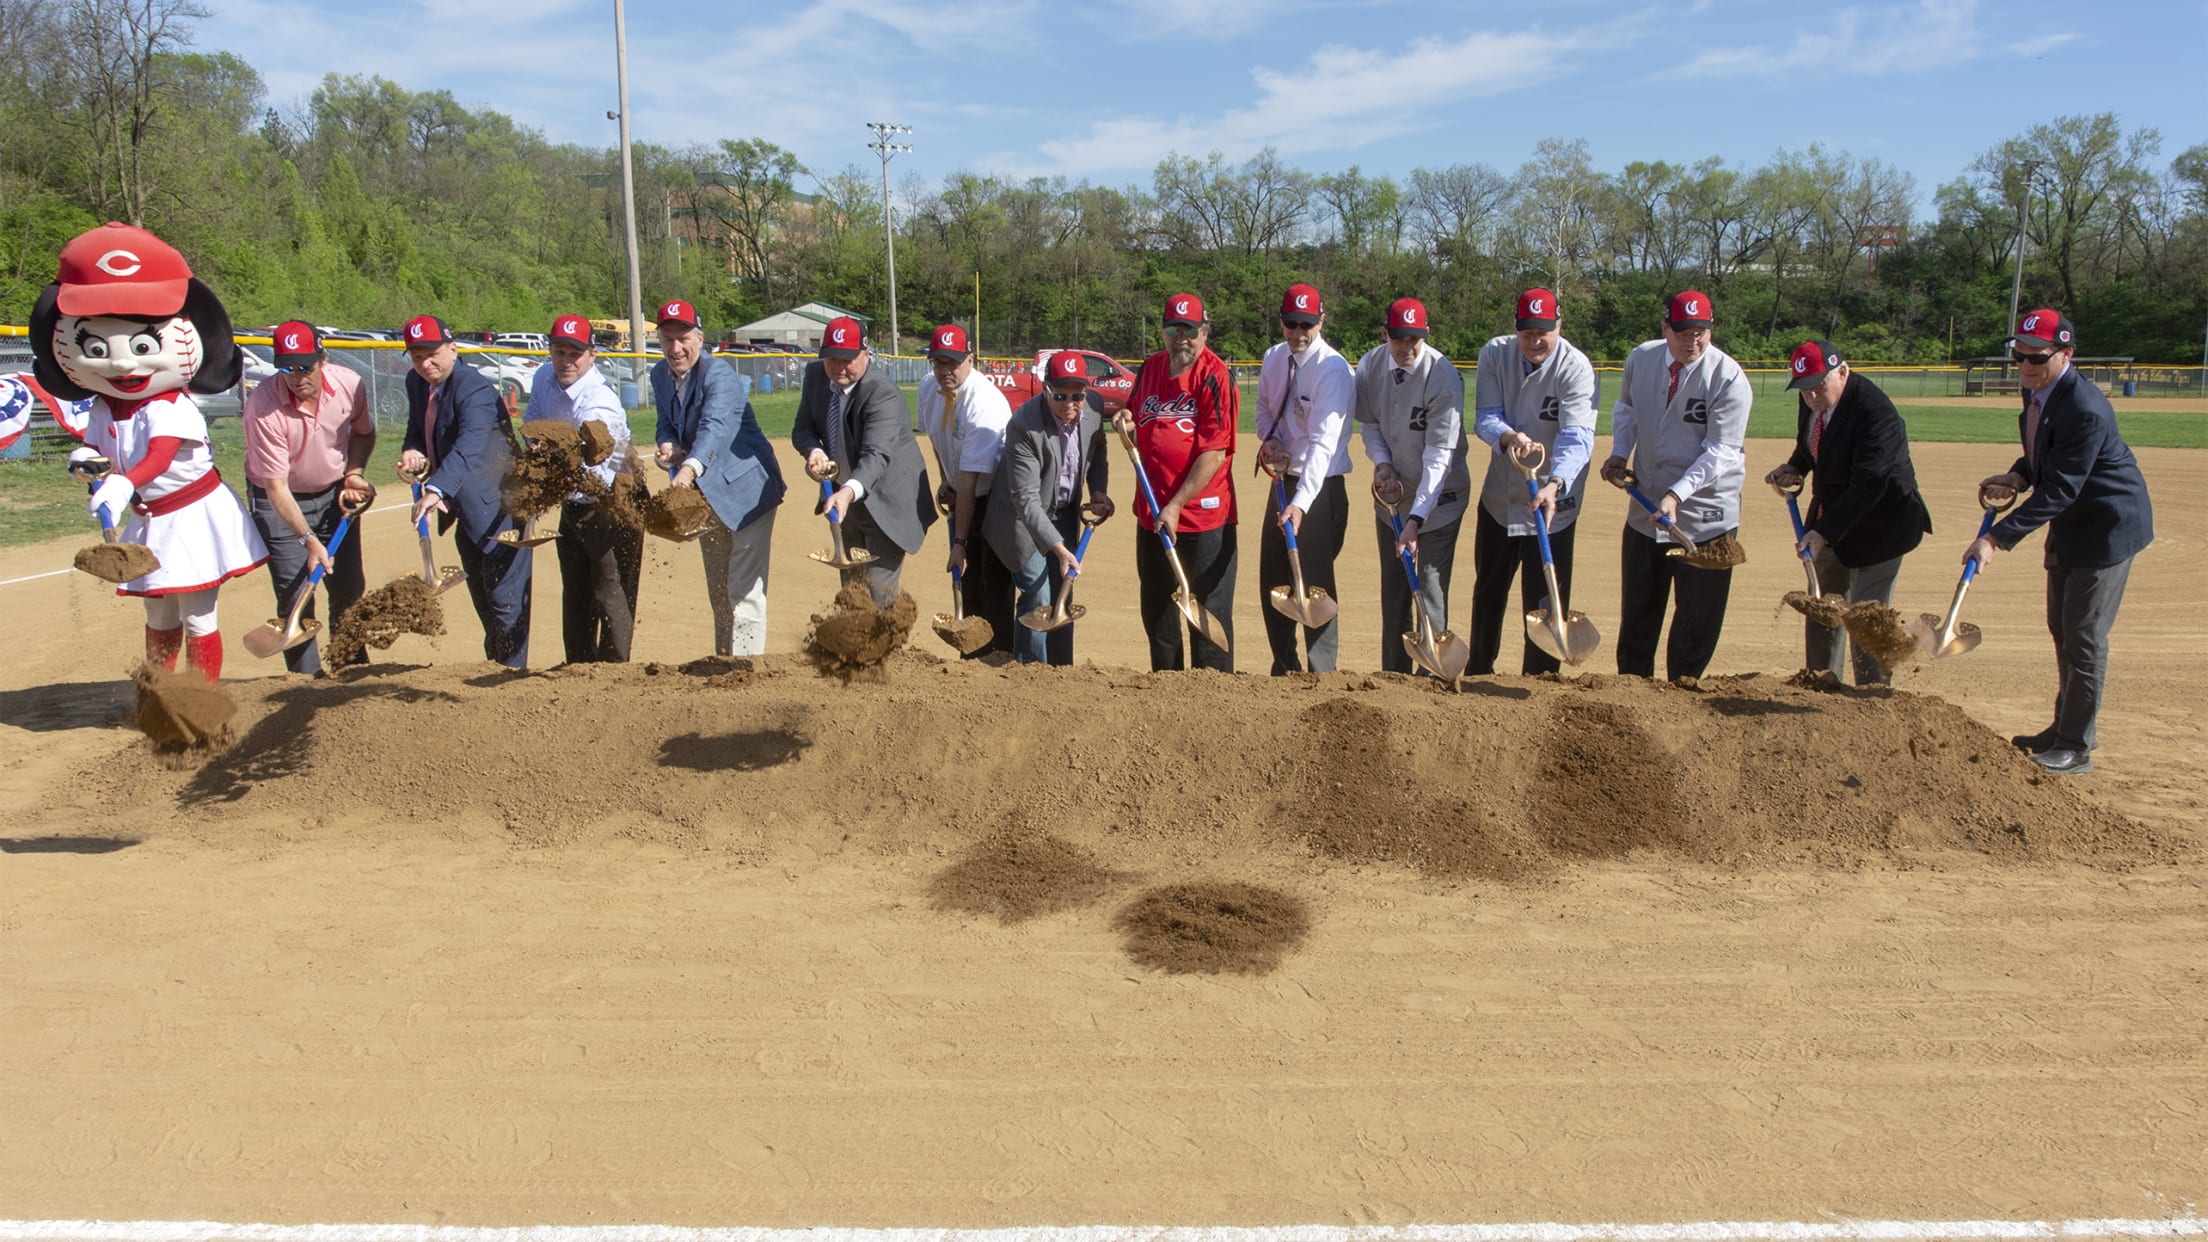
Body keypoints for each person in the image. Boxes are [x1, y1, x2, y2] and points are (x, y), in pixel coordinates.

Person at [31, 222, 266, 682]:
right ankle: (158, 693)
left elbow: (159, 456)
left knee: (198, 612)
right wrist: (86, 462)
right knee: (159, 614)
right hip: (150, 517)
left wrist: (121, 483)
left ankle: (201, 698)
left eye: (141, 346)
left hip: (192, 514)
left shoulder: (170, 405)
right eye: (97, 347)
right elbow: (98, 448)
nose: (121, 363)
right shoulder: (103, 406)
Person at [1966, 310, 2155, 775]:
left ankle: (2076, 745)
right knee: (2062, 630)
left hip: (2106, 528)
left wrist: (1995, 538)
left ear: (2066, 354)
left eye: (2037, 357)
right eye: (2018, 356)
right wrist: (2019, 473)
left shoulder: (2086, 407)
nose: (2026, 366)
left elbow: (2064, 487)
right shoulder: (2038, 390)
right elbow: (2045, 452)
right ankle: (2061, 728)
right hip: (2072, 525)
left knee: (2085, 637)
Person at [1600, 289, 1751, 681]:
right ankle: (1632, 700)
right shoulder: (1642, 359)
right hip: (1646, 509)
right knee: (1637, 619)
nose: (1693, 341)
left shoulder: (1728, 377)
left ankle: (1682, 704)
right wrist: (1620, 452)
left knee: (1694, 629)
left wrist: (1676, 494)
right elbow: (1627, 409)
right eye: (1684, 332)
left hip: (1705, 520)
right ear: (1665, 327)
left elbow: (1721, 451)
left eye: (1702, 331)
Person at [1763, 340, 1932, 686]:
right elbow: (1812, 443)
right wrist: (1796, 466)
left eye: (1817, 387)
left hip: (1881, 527)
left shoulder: (1876, 413)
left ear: (1842, 371)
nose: (1810, 397)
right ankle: (1822, 684)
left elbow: (1869, 483)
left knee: (1866, 617)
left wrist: (1823, 532)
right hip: (1833, 517)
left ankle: (1870, 699)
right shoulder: (1812, 396)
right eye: (1803, 389)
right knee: (1823, 604)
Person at [1468, 288, 1598, 676]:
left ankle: (1540, 679)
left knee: (1544, 600)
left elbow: (1577, 437)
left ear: (1559, 325)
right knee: (1489, 589)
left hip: (1553, 501)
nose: (1535, 341)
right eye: (1527, 333)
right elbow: (1486, 416)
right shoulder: (1495, 353)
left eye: (1544, 331)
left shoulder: (1575, 367)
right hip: (1501, 495)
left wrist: (1554, 483)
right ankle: (1478, 672)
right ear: (1516, 329)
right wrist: (1509, 438)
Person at [240, 320, 378, 675]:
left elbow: (364, 432)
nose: (297, 376)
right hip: (279, 505)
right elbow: (276, 488)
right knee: (296, 595)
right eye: (287, 368)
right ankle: (307, 687)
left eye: (305, 367)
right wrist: (309, 540)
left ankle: (352, 675)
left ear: (323, 358)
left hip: (334, 495)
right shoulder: (262, 405)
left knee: (348, 587)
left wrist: (354, 474)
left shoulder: (350, 385)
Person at [650, 299, 786, 657]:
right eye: (667, 339)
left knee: (743, 589)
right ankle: (726, 659)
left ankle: (745, 669)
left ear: (700, 337)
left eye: (683, 338)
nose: (675, 348)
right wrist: (668, 445)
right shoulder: (659, 376)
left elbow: (715, 427)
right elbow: (667, 420)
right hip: (707, 496)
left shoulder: (718, 374)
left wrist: (687, 469)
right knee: (719, 589)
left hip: (747, 493)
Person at [398, 313, 531, 668]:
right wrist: (412, 451)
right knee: (485, 602)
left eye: (432, 353)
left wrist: (436, 489)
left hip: (501, 506)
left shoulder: (472, 386)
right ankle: (495, 671)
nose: (425, 364)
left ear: (452, 348)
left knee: (506, 602)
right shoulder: (416, 382)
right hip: (464, 508)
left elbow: (469, 444)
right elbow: (417, 428)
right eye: (415, 356)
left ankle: (511, 680)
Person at [1116, 292, 1238, 672]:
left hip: (1202, 517)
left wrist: (1177, 504)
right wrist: (1124, 419)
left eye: (1190, 329)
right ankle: (1166, 695)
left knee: (1206, 614)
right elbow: (1133, 415)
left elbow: (1214, 452)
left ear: (1205, 330)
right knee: (1158, 614)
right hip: (1153, 512)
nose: (1181, 337)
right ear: (1164, 332)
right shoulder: (1151, 368)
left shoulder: (1214, 374)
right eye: (1174, 329)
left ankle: (1213, 702)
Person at [1354, 296, 1470, 674]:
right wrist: (1382, 463)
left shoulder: (1443, 376)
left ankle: (1435, 677)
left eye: (1414, 340)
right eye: (1399, 339)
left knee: (1430, 588)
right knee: (1396, 590)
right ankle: (1394, 677)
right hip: (1392, 498)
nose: (1406, 348)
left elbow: (1439, 458)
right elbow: (1370, 425)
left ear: (1426, 334)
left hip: (1440, 500)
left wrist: (1417, 519)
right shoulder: (1370, 366)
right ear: (1386, 334)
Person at [790, 316, 935, 607]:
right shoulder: (817, 376)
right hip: (848, 499)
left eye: (847, 359)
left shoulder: (881, 393)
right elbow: (802, 429)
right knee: (852, 591)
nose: (839, 367)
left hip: (888, 502)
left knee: (878, 593)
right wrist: (813, 452)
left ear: (866, 353)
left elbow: (875, 455)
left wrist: (846, 492)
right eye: (831, 358)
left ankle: (884, 649)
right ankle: (852, 650)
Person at [982, 351, 1113, 665]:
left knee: (1064, 591)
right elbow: (1025, 501)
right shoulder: (1025, 425)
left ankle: (1060, 672)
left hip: (1065, 512)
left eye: (1077, 395)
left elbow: (1098, 446)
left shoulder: (1093, 408)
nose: (1070, 403)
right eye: (1060, 395)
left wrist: (1098, 489)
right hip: (1019, 518)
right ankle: (1031, 673)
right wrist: (1060, 550)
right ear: (1045, 388)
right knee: (1039, 593)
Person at [528, 314, 643, 663]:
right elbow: (532, 424)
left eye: (574, 353)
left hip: (613, 500)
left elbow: (592, 467)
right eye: (559, 351)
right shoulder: (543, 379)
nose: (566, 360)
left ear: (592, 355)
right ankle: (577, 668)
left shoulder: (599, 401)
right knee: (575, 589)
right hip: (573, 499)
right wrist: (538, 446)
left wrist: (547, 464)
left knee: (611, 590)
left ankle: (614, 671)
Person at [1253, 282, 1354, 676]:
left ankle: (1321, 671)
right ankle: (1284, 664)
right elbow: (1263, 408)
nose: (1298, 333)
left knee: (1314, 582)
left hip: (1320, 486)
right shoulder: (1274, 358)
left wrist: (1300, 503)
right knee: (1273, 577)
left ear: (1321, 320)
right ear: (1281, 322)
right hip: (1283, 480)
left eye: (1306, 325)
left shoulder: (1332, 369)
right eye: (1291, 324)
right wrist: (1271, 440)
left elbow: (1322, 445)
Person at [918, 323, 1014, 657]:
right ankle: (970, 658)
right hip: (964, 492)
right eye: (938, 362)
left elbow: (972, 481)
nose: (945, 370)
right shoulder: (928, 388)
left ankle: (1000, 658)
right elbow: (936, 441)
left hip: (997, 499)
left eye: (952, 362)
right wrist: (946, 481)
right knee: (969, 584)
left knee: (993, 583)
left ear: (970, 359)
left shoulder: (984, 402)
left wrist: (958, 543)